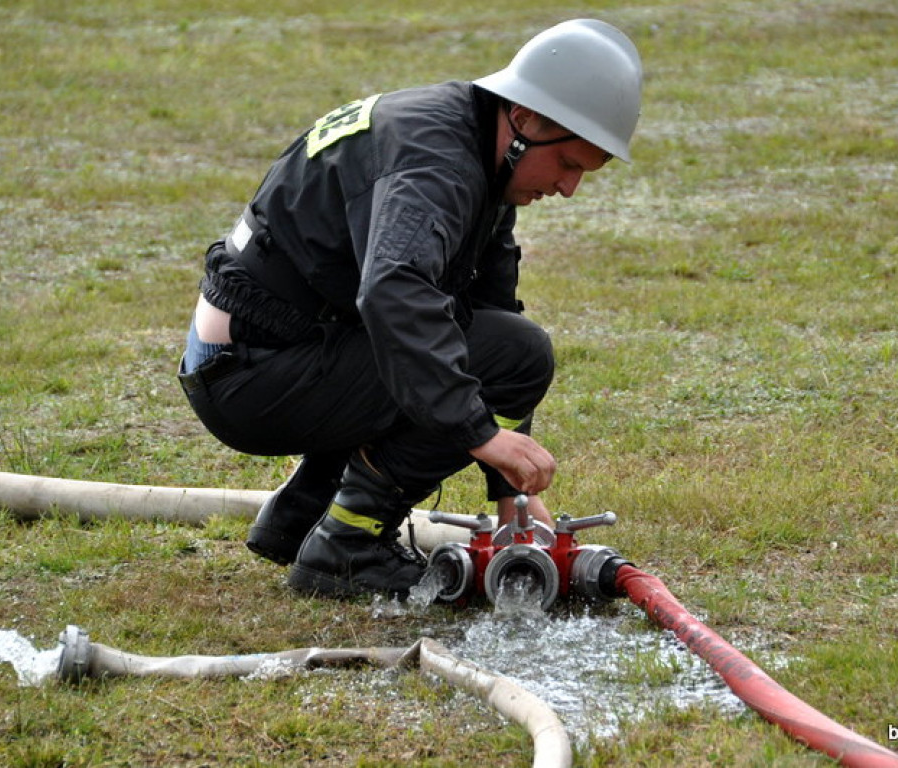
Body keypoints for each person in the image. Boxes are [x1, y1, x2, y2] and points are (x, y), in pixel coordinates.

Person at [177, 19, 643, 599]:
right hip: (251, 377)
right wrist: (479, 433)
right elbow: (396, 294)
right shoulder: (437, 165)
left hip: (252, 355)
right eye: (570, 164)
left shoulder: (467, 144)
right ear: (525, 121)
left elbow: (489, 314)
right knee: (510, 353)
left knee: (497, 343)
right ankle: (347, 546)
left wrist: (510, 490)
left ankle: (300, 516)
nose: (569, 187)